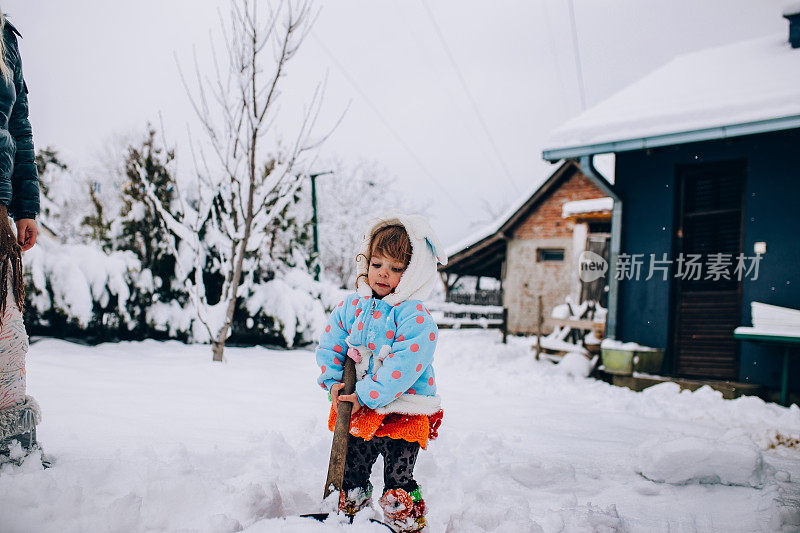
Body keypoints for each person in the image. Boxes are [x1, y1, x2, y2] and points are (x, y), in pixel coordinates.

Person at [316, 212, 446, 532]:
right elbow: (331, 344)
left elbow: (403, 367)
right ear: (366, 263)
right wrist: (333, 382)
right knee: (352, 471)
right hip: (358, 412)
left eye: (396, 268)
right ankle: (349, 517)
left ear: (414, 273)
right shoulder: (351, 307)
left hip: (402, 412)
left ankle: (404, 523)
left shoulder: (415, 317)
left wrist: (363, 394)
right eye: (377, 264)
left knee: (398, 477)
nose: (383, 274)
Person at [0, 11, 41, 465]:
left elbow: (19, 128)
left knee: (7, 331)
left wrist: (25, 207)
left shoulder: (5, 38)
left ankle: (10, 451)